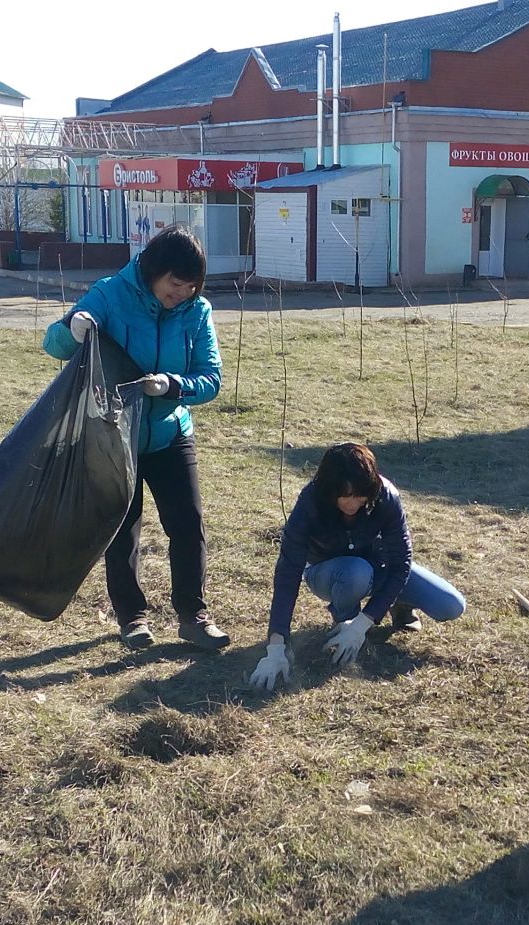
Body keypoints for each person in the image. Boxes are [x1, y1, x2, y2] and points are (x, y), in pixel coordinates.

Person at [43, 225, 229, 650]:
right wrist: (74, 326)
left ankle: (193, 615)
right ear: (152, 271)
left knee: (188, 524)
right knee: (122, 529)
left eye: (190, 287)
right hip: (113, 436)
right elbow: (53, 344)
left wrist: (174, 385)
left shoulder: (198, 312)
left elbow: (212, 378)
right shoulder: (110, 295)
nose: (181, 293)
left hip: (170, 433)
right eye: (174, 284)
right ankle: (132, 619)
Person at [248, 442, 466, 690]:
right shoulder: (310, 502)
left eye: (360, 495)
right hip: (328, 572)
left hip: (380, 568)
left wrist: (364, 623)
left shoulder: (386, 496)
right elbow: (288, 572)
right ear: (329, 489)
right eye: (344, 495)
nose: (353, 503)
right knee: (355, 572)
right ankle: (344, 620)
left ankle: (393, 608)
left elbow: (401, 563)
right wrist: (276, 646)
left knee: (451, 605)